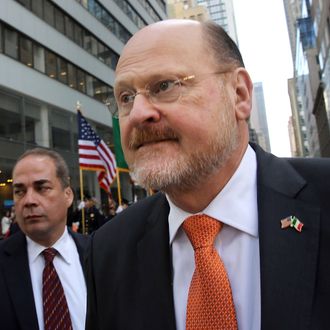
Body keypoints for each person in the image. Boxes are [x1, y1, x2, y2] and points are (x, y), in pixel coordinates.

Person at [85, 19, 330, 330]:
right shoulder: (108, 251)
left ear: (239, 95)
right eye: (126, 97)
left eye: (165, 86)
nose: (138, 114)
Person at [0, 148, 89, 330]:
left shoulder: (99, 254)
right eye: (19, 191)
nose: (29, 200)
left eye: (42, 188)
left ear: (68, 195)